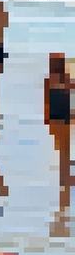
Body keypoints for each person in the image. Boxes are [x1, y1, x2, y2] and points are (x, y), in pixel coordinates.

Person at [48, 54, 73, 196]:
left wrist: (47, 119)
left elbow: (47, 101)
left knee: (61, 150)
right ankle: (65, 179)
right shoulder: (67, 79)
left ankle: (63, 179)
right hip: (64, 117)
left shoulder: (49, 80)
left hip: (55, 118)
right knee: (65, 151)